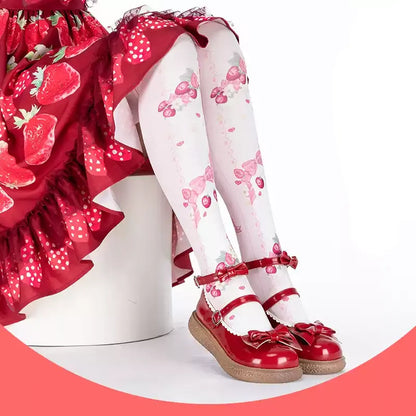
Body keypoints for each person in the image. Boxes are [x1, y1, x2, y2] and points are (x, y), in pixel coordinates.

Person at [0, 0, 345, 382]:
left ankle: (268, 271)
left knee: (212, 39)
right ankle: (220, 279)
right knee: (157, 41)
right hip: (15, 82)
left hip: (78, 49)